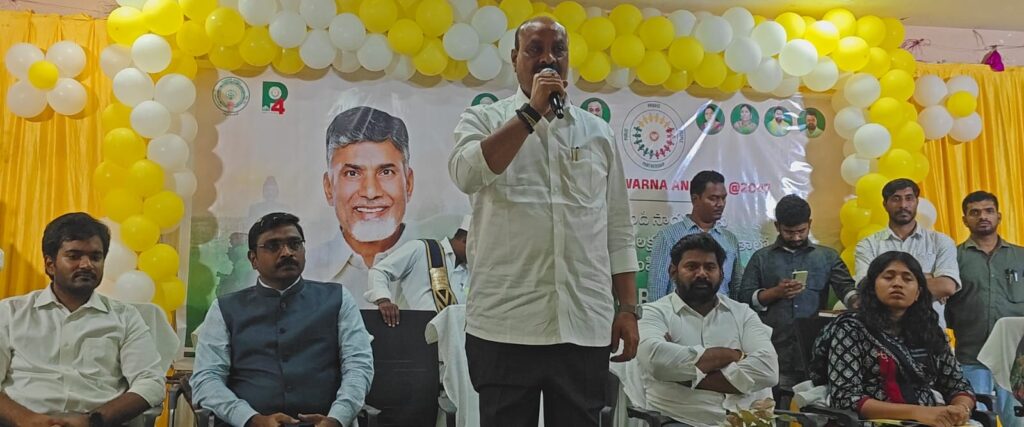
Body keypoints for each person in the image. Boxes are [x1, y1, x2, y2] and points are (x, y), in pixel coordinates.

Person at [449, 16, 640, 426]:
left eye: (558, 50)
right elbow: (466, 174)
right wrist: (531, 113)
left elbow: (618, 229)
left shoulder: (598, 133)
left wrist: (627, 307)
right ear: (514, 58)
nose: (548, 59)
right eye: (535, 49)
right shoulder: (482, 119)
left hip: (583, 324)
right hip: (504, 325)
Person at [191, 212, 374, 427]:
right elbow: (207, 378)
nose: (287, 252)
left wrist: (338, 418)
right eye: (273, 246)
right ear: (253, 259)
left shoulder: (338, 298)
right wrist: (250, 419)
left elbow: (358, 366)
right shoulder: (225, 308)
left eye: (294, 244)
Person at [0, 213, 165, 427]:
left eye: (96, 257)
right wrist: (27, 420)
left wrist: (93, 420)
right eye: (74, 256)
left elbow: (151, 382)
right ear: (50, 264)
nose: (86, 265)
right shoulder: (10, 313)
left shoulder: (125, 317)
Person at [810, 251, 976, 426]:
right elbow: (845, 397)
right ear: (872, 287)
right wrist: (918, 413)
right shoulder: (851, 329)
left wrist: (960, 409)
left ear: (918, 292)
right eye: (888, 277)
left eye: (907, 279)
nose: (897, 283)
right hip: (873, 422)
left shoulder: (930, 331)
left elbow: (958, 385)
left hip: (933, 418)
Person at [638, 233, 779, 426]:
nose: (702, 274)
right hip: (681, 419)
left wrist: (685, 376)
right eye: (692, 266)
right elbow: (657, 362)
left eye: (710, 267)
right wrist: (733, 355)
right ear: (673, 271)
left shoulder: (743, 314)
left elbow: (768, 370)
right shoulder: (653, 313)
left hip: (745, 420)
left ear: (721, 273)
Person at [736, 195, 856, 390]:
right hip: (772, 349)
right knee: (772, 405)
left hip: (815, 351)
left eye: (801, 231)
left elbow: (846, 288)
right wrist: (775, 292)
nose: (796, 237)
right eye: (789, 232)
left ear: (810, 224)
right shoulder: (761, 258)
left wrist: (856, 301)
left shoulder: (827, 256)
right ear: (777, 226)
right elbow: (743, 299)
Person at [310, 106, 416, 308]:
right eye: (352, 173)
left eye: (386, 172)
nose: (370, 192)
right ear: (329, 187)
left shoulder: (439, 264)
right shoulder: (305, 273)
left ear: (408, 184)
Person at [948, 191, 1024, 425]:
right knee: (976, 422)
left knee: (1018, 422)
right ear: (964, 220)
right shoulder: (953, 258)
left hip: (1016, 361)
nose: (983, 217)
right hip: (972, 356)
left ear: (999, 216)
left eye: (989, 211)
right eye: (975, 212)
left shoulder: (1020, 257)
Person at [855, 178, 960, 327]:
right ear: (885, 205)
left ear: (917, 202)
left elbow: (946, 286)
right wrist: (927, 278)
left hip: (929, 329)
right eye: (896, 199)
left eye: (909, 198)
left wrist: (887, 282)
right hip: (881, 330)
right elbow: (866, 287)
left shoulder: (940, 241)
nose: (903, 205)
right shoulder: (868, 244)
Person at [648, 170, 741, 301]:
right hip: (678, 312)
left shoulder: (730, 239)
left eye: (723, 198)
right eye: (713, 198)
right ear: (695, 199)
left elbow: (736, 288)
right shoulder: (668, 236)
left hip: (721, 312)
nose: (720, 204)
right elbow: (657, 289)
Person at [366, 215, 471, 327]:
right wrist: (383, 300)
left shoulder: (471, 272)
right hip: (410, 328)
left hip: (450, 334)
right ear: (465, 240)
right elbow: (379, 271)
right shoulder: (422, 249)